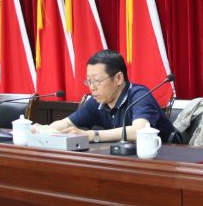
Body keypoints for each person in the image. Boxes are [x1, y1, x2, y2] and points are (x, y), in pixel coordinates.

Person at [37, 49, 179, 143]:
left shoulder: (139, 95)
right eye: (89, 81)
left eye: (97, 81)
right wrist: (42, 130)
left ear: (118, 78)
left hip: (167, 157)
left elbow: (140, 130)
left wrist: (93, 135)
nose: (92, 87)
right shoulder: (97, 101)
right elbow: (67, 123)